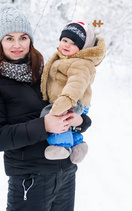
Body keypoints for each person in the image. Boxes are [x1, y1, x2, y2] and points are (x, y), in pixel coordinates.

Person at [0, 6, 92, 211]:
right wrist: (44, 125)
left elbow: (74, 103)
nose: (17, 45)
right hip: (29, 180)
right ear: (0, 42)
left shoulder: (46, 72)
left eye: (23, 37)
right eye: (9, 38)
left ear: (30, 39)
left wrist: (80, 121)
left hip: (65, 173)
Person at [40, 21, 106, 164]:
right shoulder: (63, 59)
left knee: (57, 120)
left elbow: (76, 84)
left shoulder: (80, 63)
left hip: (71, 101)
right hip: (68, 100)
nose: (67, 45)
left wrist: (62, 104)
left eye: (73, 43)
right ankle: (78, 146)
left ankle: (61, 146)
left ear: (82, 48)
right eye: (64, 40)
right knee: (70, 126)